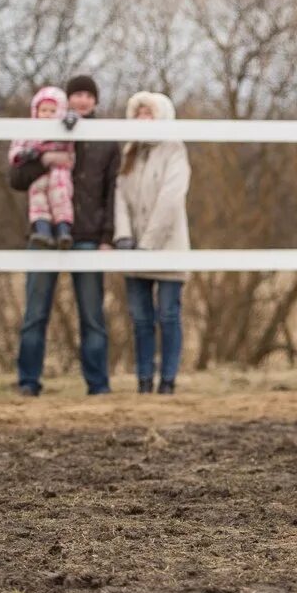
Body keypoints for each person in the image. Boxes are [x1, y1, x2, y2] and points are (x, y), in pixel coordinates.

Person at [9, 75, 120, 396]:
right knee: (35, 313)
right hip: (43, 233)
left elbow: (112, 190)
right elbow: (16, 177)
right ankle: (28, 381)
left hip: (87, 233)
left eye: (88, 94)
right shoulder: (42, 130)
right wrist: (45, 159)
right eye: (77, 94)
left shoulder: (106, 139)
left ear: (96, 100)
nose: (83, 100)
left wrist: (107, 236)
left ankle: (98, 385)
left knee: (92, 315)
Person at [113, 92, 191, 395]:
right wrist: (123, 237)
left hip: (168, 246)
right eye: (139, 112)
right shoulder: (129, 151)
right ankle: (143, 381)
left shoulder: (174, 149)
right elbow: (119, 195)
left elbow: (171, 199)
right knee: (140, 317)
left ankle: (167, 381)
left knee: (168, 315)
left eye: (149, 112)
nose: (143, 117)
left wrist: (148, 244)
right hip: (133, 248)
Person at [7, 86, 77, 248]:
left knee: (61, 198)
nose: (47, 115)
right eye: (43, 110)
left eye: (52, 111)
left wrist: (71, 117)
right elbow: (16, 149)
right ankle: (42, 230)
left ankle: (63, 231)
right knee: (38, 199)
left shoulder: (64, 130)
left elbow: (71, 148)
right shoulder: (29, 131)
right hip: (38, 176)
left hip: (59, 175)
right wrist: (25, 155)